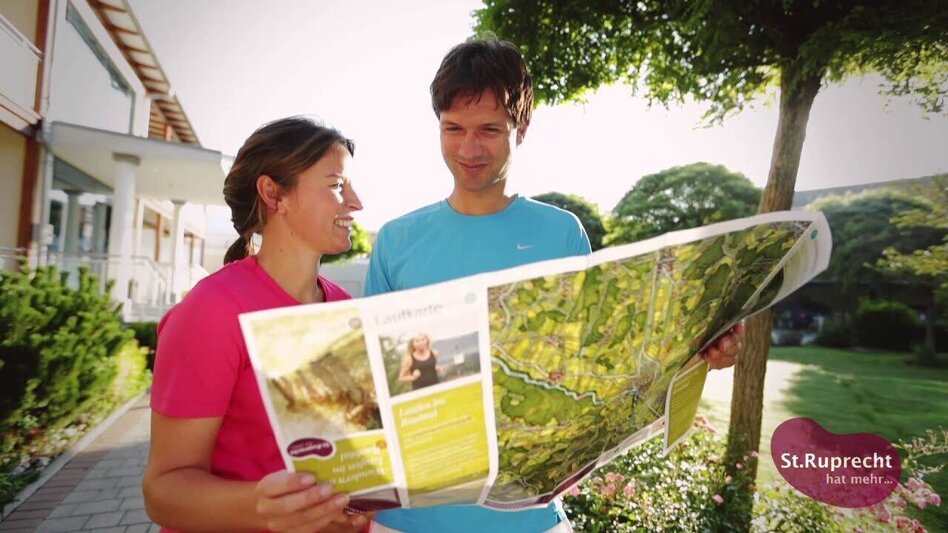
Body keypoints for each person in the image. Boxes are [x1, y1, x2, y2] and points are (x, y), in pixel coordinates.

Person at [364, 38, 744, 533]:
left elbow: (604, 368)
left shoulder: (561, 233)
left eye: (489, 130)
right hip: (408, 520)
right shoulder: (397, 240)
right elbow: (370, 383)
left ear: (521, 128)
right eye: (453, 128)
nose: (468, 148)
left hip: (528, 518)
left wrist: (700, 353)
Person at [143, 117, 371, 533]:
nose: (355, 202)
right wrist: (262, 508)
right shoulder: (212, 310)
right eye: (338, 185)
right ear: (274, 194)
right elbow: (163, 491)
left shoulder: (343, 307)